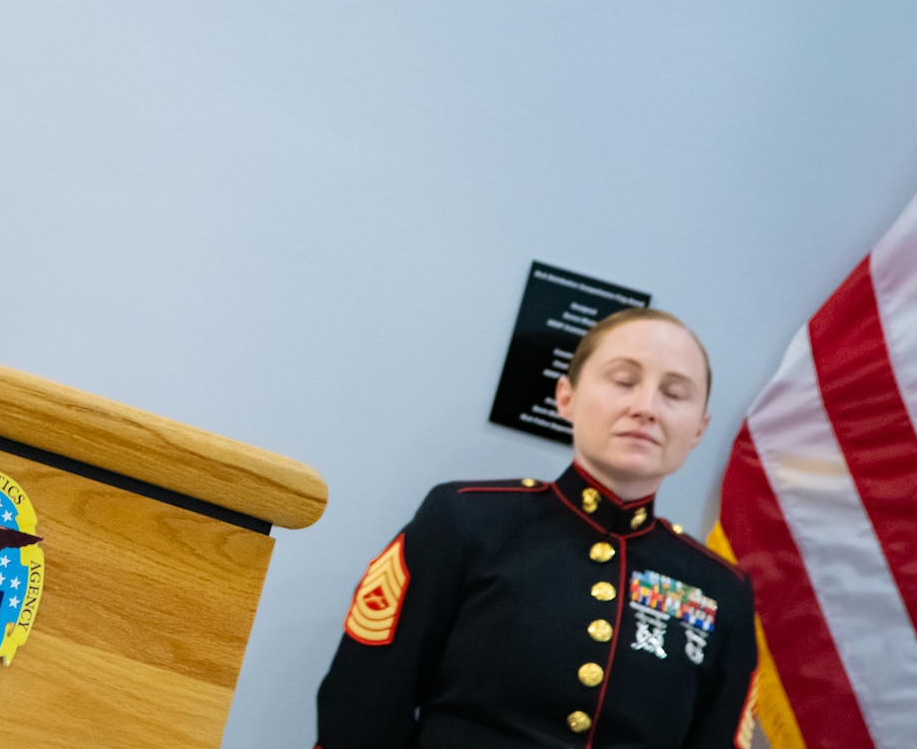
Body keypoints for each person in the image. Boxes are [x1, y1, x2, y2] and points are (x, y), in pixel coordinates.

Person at [316, 308, 757, 748]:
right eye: (623, 381)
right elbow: (361, 706)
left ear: (699, 429)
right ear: (565, 397)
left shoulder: (723, 592)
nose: (645, 408)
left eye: (675, 394)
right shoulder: (466, 521)